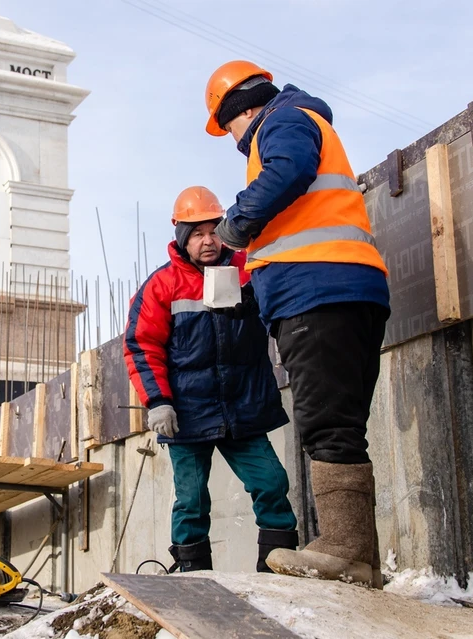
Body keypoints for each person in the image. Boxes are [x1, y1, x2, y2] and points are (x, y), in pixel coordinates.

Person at [202, 60, 390, 587]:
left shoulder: (281, 122)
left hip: (317, 293)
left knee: (326, 424)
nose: (235, 140)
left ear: (241, 110)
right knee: (343, 426)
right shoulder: (304, 120)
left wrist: (237, 222)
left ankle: (347, 549)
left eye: (229, 128)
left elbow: (287, 171)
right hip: (345, 288)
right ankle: (360, 557)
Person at [123, 185, 298, 574]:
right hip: (188, 413)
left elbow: (281, 314)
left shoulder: (249, 271)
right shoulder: (161, 286)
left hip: (244, 408)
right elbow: (140, 345)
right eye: (198, 233)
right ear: (183, 238)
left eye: (214, 230)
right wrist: (158, 401)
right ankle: (193, 576)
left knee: (271, 483)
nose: (208, 240)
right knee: (190, 500)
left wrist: (255, 302)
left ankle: (278, 572)